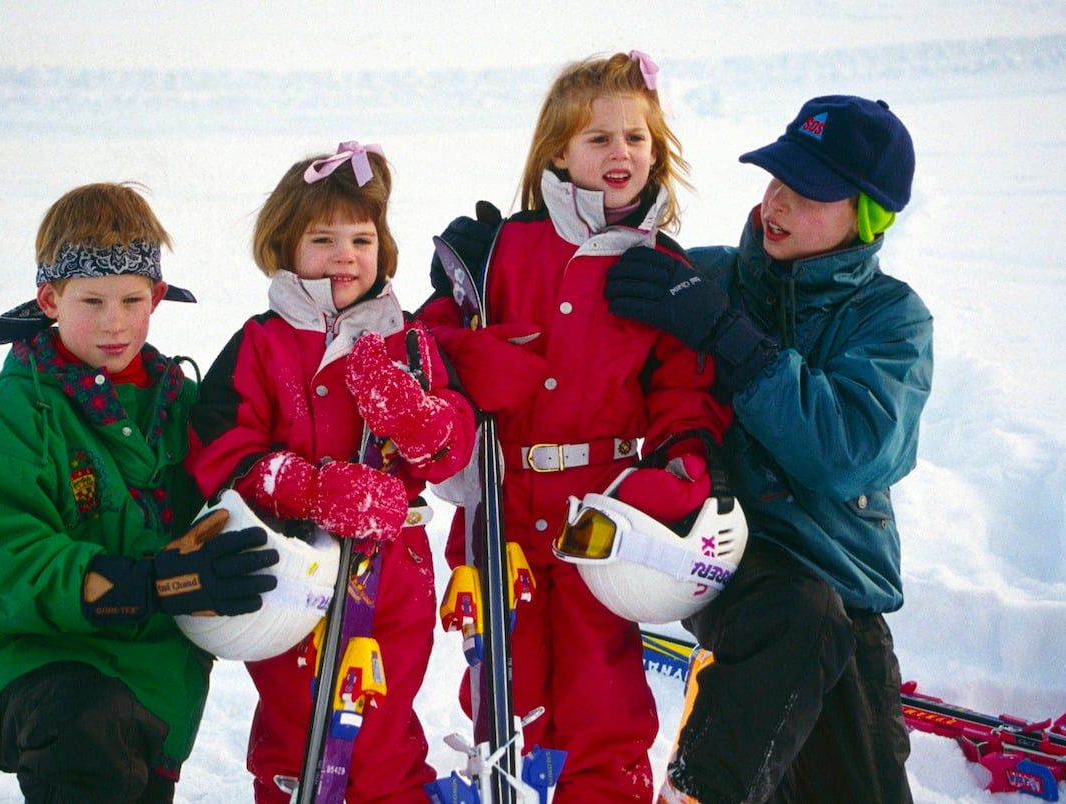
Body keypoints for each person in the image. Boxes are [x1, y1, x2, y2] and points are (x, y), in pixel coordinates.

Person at [418, 52, 732, 802]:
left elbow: (685, 389)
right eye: (597, 140)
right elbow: (424, 351)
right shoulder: (504, 251)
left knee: (600, 689)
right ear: (557, 151)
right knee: (505, 680)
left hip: (607, 514)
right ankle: (513, 788)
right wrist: (465, 347)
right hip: (505, 506)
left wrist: (682, 461)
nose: (619, 154)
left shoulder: (662, 267)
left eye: (635, 138)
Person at [605, 95, 934, 803]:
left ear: (868, 215)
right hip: (725, 551)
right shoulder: (707, 279)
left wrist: (731, 341)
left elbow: (847, 451)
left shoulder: (890, 322)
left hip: (841, 587)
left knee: (862, 778)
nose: (775, 202)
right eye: (775, 178)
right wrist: (500, 261)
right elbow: (580, 301)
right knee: (795, 613)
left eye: (807, 191)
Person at [0, 182, 279, 803]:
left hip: (150, 672)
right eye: (92, 301)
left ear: (157, 299)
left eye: (132, 299)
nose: (114, 322)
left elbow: (241, 476)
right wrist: (151, 582)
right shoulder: (13, 417)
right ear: (49, 298)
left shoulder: (181, 407)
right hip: (29, 659)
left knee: (119, 752)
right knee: (91, 726)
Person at [184, 142, 477, 803]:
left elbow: (453, 450)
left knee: (382, 722)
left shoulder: (407, 343)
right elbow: (221, 447)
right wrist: (308, 487)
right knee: (299, 725)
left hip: (393, 570)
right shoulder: (262, 341)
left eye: (361, 238)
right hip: (296, 572)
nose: (345, 255)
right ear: (285, 246)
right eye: (323, 238)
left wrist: (416, 418)